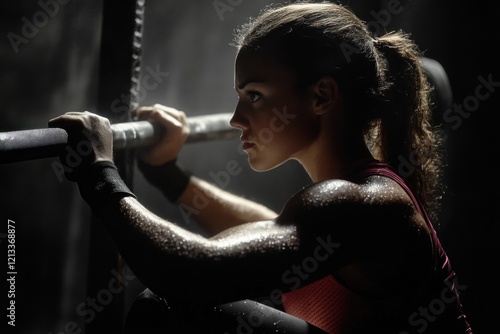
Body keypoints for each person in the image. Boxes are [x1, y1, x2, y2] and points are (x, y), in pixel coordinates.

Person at [48, 2, 473, 333]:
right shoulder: (342, 204)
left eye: (254, 95)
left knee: (166, 307)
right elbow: (267, 229)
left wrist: (98, 172)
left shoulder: (363, 201)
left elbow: (192, 275)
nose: (235, 118)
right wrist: (167, 175)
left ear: (322, 97)